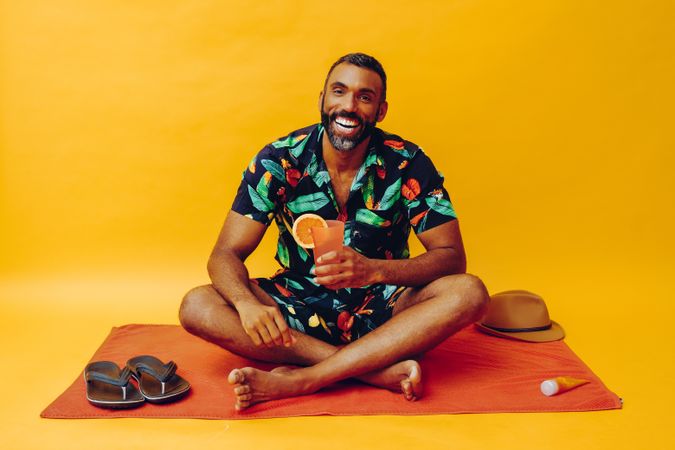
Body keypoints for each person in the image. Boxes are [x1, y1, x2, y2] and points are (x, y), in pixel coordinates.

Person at [179, 52, 489, 411]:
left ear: (381, 111)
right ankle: (369, 370)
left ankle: (305, 378)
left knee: (470, 292)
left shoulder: (408, 162)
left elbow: (452, 258)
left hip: (384, 307)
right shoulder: (279, 160)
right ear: (322, 100)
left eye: (364, 96)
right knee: (197, 304)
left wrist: (375, 270)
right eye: (339, 92)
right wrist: (247, 304)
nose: (349, 106)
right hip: (294, 306)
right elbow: (224, 254)